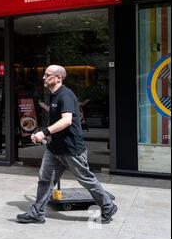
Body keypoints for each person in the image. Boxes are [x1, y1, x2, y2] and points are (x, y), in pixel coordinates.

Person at [17, 65, 117, 224]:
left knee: (86, 179)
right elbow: (57, 117)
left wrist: (44, 132)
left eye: (47, 75)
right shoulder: (54, 95)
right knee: (45, 179)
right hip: (54, 147)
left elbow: (67, 120)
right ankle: (37, 213)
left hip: (71, 149)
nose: (44, 77)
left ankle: (107, 206)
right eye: (44, 74)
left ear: (58, 78)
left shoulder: (66, 95)